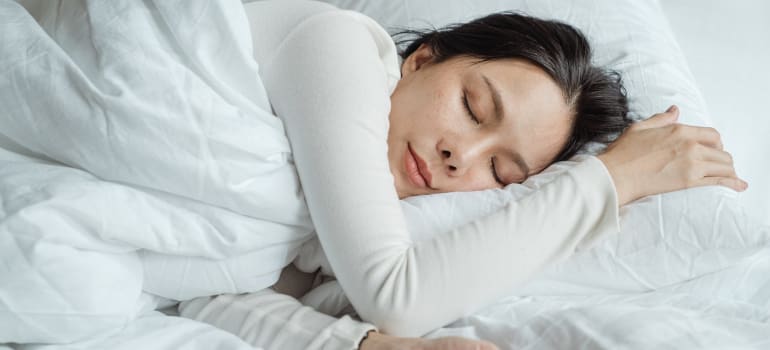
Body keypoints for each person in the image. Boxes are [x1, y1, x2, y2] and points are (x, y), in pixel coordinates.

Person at [178, 1, 747, 350]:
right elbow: (396, 296)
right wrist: (610, 181)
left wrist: (362, 345)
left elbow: (198, 298)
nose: (460, 156)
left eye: (500, 170)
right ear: (422, 59)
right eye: (474, 107)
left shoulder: (313, 231)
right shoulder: (336, 44)